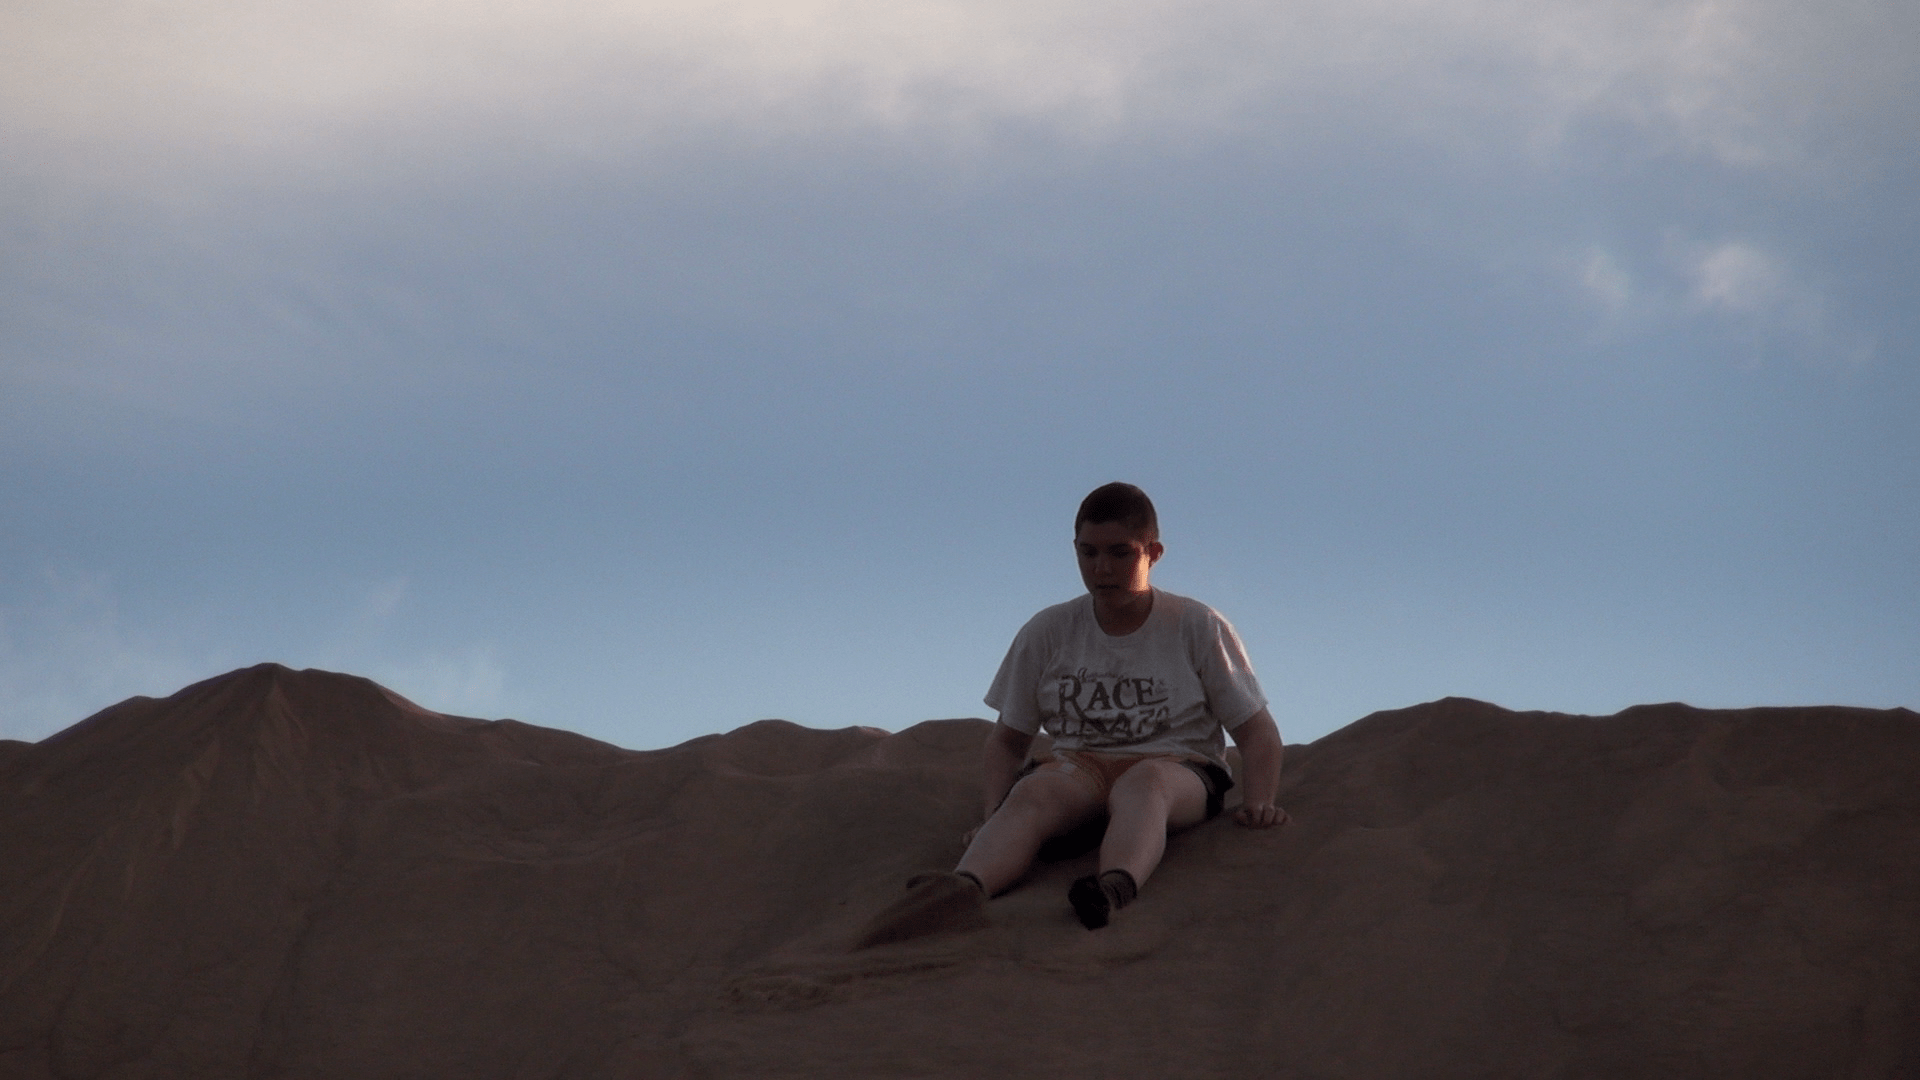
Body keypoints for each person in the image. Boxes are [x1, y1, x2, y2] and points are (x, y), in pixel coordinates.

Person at [854, 482, 1285, 947]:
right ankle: (959, 892)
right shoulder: (1048, 631)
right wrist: (992, 813)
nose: (1102, 568)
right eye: (1088, 552)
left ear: (1153, 553)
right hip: (1082, 766)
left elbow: (1256, 730)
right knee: (1034, 792)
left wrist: (1260, 801)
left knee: (1145, 785)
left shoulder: (1196, 625)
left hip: (1178, 767)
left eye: (1120, 553)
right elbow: (1008, 741)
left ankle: (1111, 890)